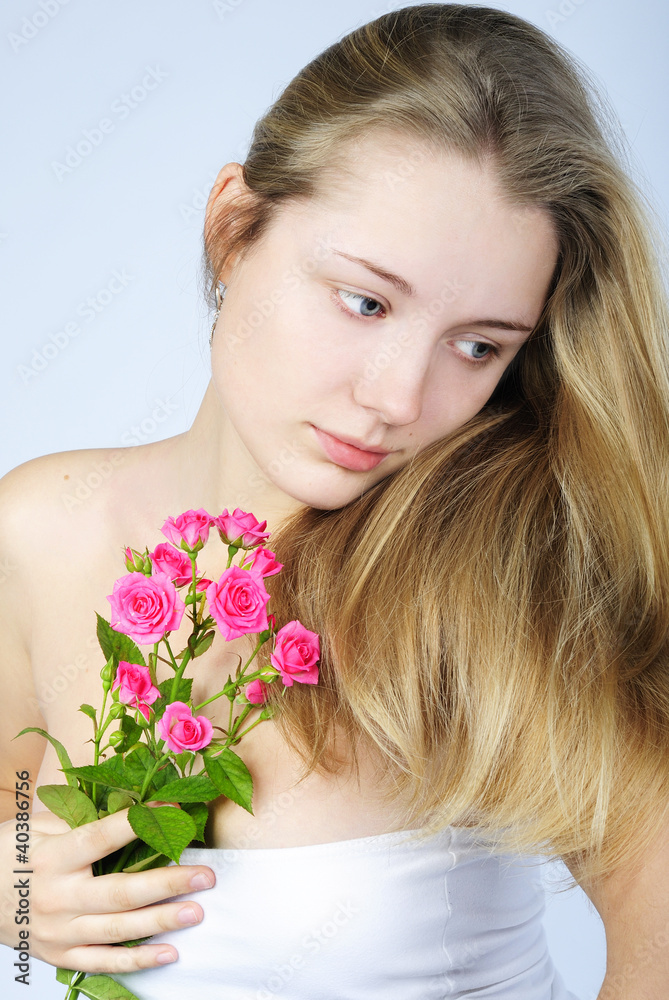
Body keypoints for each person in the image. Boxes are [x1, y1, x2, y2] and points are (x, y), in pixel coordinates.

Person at [1, 3, 668, 997]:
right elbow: (14, 811)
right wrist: (17, 892)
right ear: (235, 228)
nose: (399, 398)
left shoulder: (502, 578)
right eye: (367, 301)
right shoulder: (42, 527)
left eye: (479, 344)